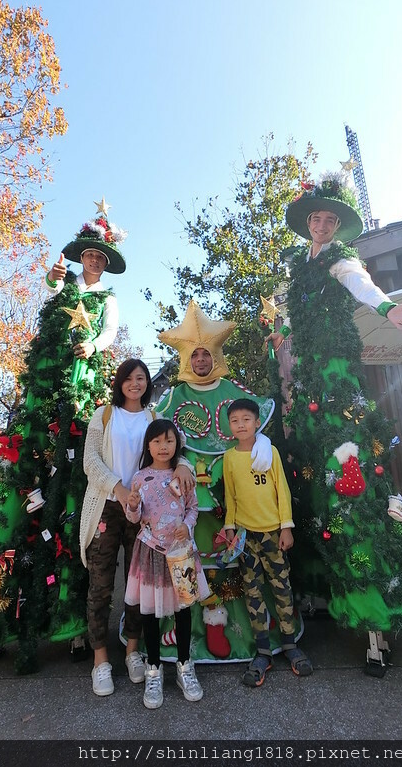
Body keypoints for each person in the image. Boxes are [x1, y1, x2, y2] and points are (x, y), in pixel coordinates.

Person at [0, 205, 128, 675]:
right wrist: (51, 280)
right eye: (89, 254)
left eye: (100, 256)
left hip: (79, 391)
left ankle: (72, 627)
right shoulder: (64, 286)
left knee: (70, 503)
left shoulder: (106, 299)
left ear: (107, 263)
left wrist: (94, 346)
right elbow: (48, 296)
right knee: (18, 507)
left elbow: (110, 332)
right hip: (43, 399)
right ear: (82, 256)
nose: (94, 260)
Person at [266, 174, 402, 647]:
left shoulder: (341, 259)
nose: (321, 225)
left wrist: (387, 309)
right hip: (307, 383)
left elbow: (362, 285)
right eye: (316, 218)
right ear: (308, 222)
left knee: (347, 474)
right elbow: (298, 313)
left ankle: (374, 608)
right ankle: (321, 586)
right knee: (312, 477)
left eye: (329, 220)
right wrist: (282, 334)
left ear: (337, 226)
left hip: (335, 381)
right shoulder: (299, 267)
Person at [155, 300, 305, 663]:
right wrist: (181, 463)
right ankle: (199, 627)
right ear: (186, 359)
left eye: (206, 354)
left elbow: (256, 416)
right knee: (194, 561)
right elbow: (161, 439)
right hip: (192, 503)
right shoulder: (174, 398)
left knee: (245, 569)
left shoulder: (233, 392)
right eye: (195, 355)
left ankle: (258, 631)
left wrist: (262, 442)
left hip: (242, 506)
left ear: (215, 356)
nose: (200, 360)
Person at [80, 359, 195, 697]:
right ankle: (101, 660)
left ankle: (133, 650)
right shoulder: (103, 416)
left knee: (139, 585)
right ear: (120, 382)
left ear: (147, 383)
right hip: (107, 506)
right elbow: (90, 461)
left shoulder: (152, 416)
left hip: (146, 516)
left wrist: (184, 465)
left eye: (141, 378)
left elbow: (174, 448)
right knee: (100, 584)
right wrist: (117, 488)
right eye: (129, 378)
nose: (135, 383)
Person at [222, 399, 312, 687]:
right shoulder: (229, 458)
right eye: (235, 420)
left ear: (257, 422)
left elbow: (282, 491)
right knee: (253, 592)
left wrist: (286, 527)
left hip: (273, 533)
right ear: (229, 426)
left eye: (246, 419)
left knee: (282, 588)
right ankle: (262, 651)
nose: (241, 425)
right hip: (245, 537)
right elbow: (230, 497)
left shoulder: (269, 451)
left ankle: (290, 644)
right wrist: (230, 529)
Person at [124, 418, 209, 709]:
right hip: (150, 552)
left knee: (183, 609)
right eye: (157, 441)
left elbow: (193, 507)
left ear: (177, 444)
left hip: (181, 553)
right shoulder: (139, 478)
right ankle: (153, 668)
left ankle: (184, 665)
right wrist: (132, 505)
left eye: (169, 441)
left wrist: (187, 525)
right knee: (149, 612)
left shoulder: (183, 475)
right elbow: (134, 518)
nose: (163, 446)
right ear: (148, 446)